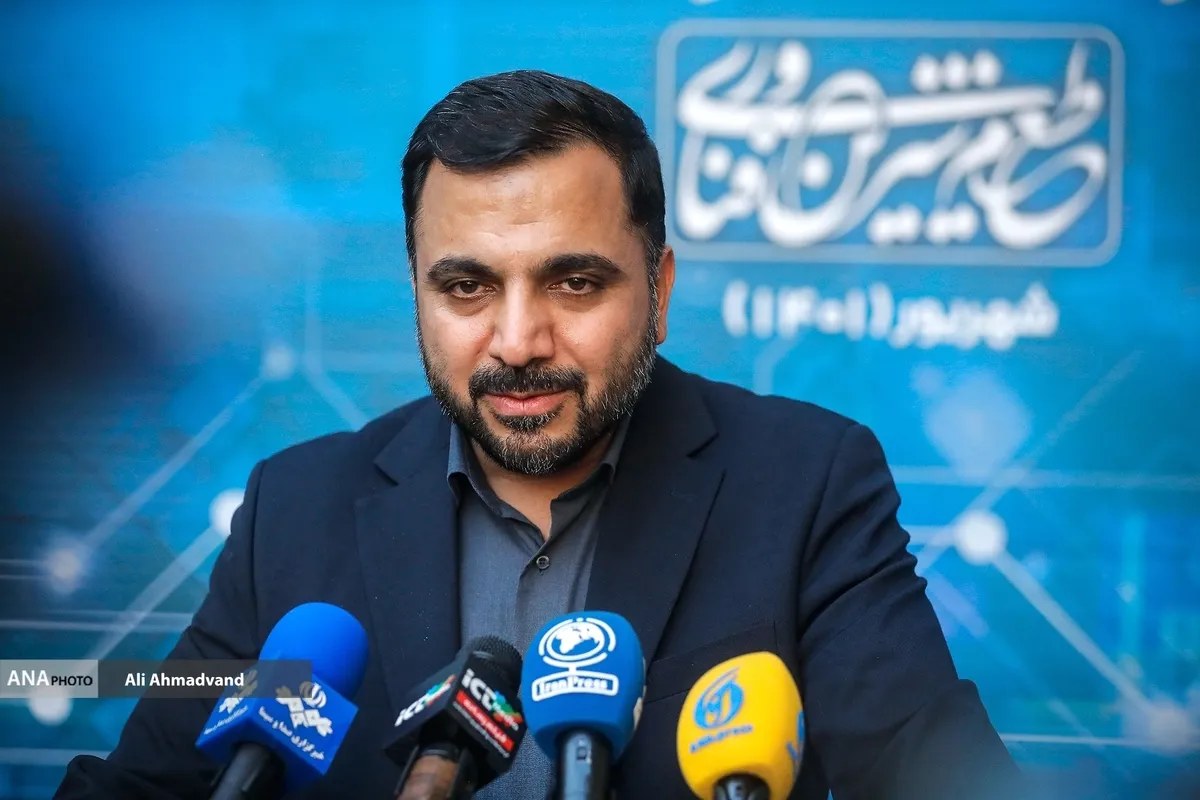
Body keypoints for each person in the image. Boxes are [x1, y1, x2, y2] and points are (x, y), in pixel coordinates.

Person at [56, 70, 1023, 799]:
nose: (517, 342)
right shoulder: (295, 513)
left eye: (574, 282)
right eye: (467, 286)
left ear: (660, 291)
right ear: (418, 293)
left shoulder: (806, 482)